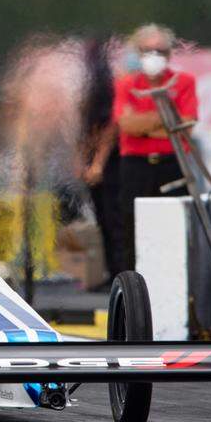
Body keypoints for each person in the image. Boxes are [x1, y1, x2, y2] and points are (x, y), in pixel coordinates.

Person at [113, 24, 197, 272]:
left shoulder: (184, 82)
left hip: (172, 162)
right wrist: (164, 120)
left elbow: (185, 128)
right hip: (135, 165)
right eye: (147, 51)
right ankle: (133, 283)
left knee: (176, 225)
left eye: (160, 51)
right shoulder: (126, 84)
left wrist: (144, 126)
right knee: (132, 226)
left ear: (169, 54)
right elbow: (126, 125)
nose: (154, 56)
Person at [80, 37, 123, 289]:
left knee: (114, 217)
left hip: (111, 161)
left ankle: (120, 270)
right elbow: (82, 128)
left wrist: (97, 162)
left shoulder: (105, 85)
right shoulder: (85, 88)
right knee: (102, 218)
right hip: (92, 159)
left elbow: (109, 128)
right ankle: (111, 270)